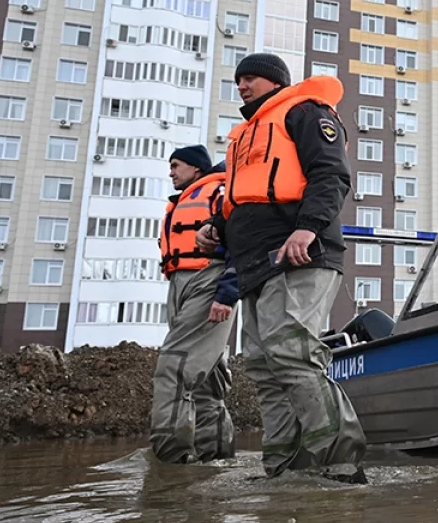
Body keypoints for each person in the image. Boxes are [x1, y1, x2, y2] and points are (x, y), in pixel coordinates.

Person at [196, 53, 366, 482]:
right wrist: (216, 227)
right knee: (263, 365)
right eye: (237, 80)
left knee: (291, 352)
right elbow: (244, 196)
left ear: (274, 82)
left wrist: (307, 228)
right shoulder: (244, 138)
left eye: (250, 78)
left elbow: (331, 174)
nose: (241, 87)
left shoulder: (305, 112)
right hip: (255, 264)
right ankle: (284, 468)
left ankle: (338, 463)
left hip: (300, 253)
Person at [150, 145, 238, 464]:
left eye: (176, 165)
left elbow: (239, 239)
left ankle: (170, 460)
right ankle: (216, 457)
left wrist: (226, 292)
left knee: (175, 367)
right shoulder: (184, 201)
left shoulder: (217, 192)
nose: (171, 171)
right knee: (206, 376)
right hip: (181, 283)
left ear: (197, 169)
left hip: (207, 279)